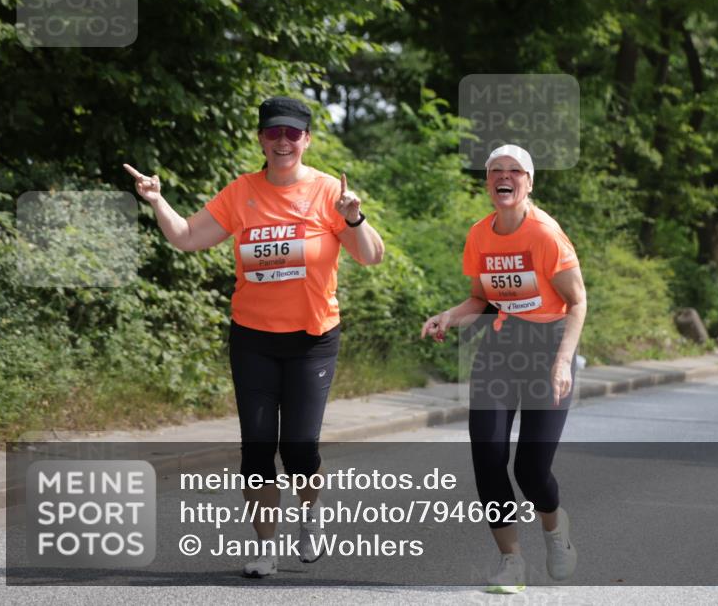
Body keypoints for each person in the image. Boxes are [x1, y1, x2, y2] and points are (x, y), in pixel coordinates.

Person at [124, 96, 384, 577]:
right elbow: (185, 237)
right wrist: (158, 200)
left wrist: (353, 217)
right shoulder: (240, 192)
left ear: (306, 139)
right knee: (258, 449)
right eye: (273, 133)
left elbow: (370, 256)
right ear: (261, 139)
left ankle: (310, 515)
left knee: (301, 446)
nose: (282, 142)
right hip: (253, 339)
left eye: (292, 134)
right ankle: (266, 547)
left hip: (312, 339)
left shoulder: (330, 192)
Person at [421, 144, 586, 594]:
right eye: (496, 171)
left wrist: (561, 362)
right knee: (488, 458)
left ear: (529, 182)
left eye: (515, 171)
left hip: (548, 347)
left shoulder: (546, 235)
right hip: (500, 346)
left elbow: (577, 301)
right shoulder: (480, 235)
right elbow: (483, 297)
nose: (504, 177)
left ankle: (554, 530)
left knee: (532, 471)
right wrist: (450, 316)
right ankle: (511, 561)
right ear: (488, 181)